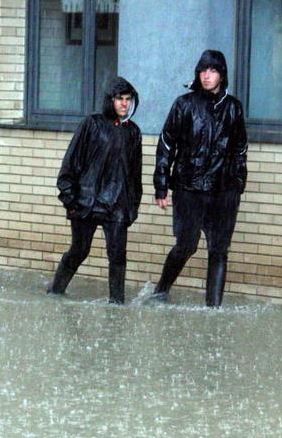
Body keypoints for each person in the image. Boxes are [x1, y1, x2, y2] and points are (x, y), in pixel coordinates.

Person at [151, 50, 248, 307]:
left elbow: (240, 149)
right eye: (203, 70)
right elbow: (166, 145)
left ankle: (213, 310)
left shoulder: (233, 108)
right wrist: (162, 186)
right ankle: (161, 290)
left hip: (223, 191)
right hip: (188, 188)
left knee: (218, 250)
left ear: (221, 75)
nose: (207, 75)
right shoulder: (184, 104)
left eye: (213, 71)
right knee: (186, 245)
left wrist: (237, 184)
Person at [47, 77, 143, 304]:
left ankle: (117, 305)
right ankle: (55, 292)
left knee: (118, 256)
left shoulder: (133, 133)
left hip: (118, 204)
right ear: (110, 100)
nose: (124, 104)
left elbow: (135, 175)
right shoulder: (92, 124)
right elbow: (70, 163)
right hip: (86, 201)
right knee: (79, 250)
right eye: (120, 99)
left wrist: (132, 206)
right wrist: (71, 200)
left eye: (128, 100)